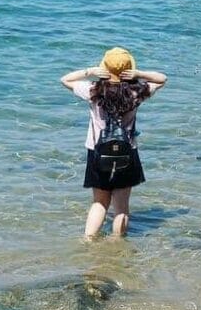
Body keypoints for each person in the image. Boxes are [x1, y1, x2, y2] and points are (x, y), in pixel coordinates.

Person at [60, 48, 167, 239]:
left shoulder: (93, 90)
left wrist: (89, 71)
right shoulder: (137, 92)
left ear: (105, 69)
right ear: (129, 70)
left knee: (100, 202)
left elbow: (65, 79)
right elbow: (162, 79)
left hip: (97, 150)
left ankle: (88, 241)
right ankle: (117, 245)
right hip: (127, 151)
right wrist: (139, 74)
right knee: (122, 207)